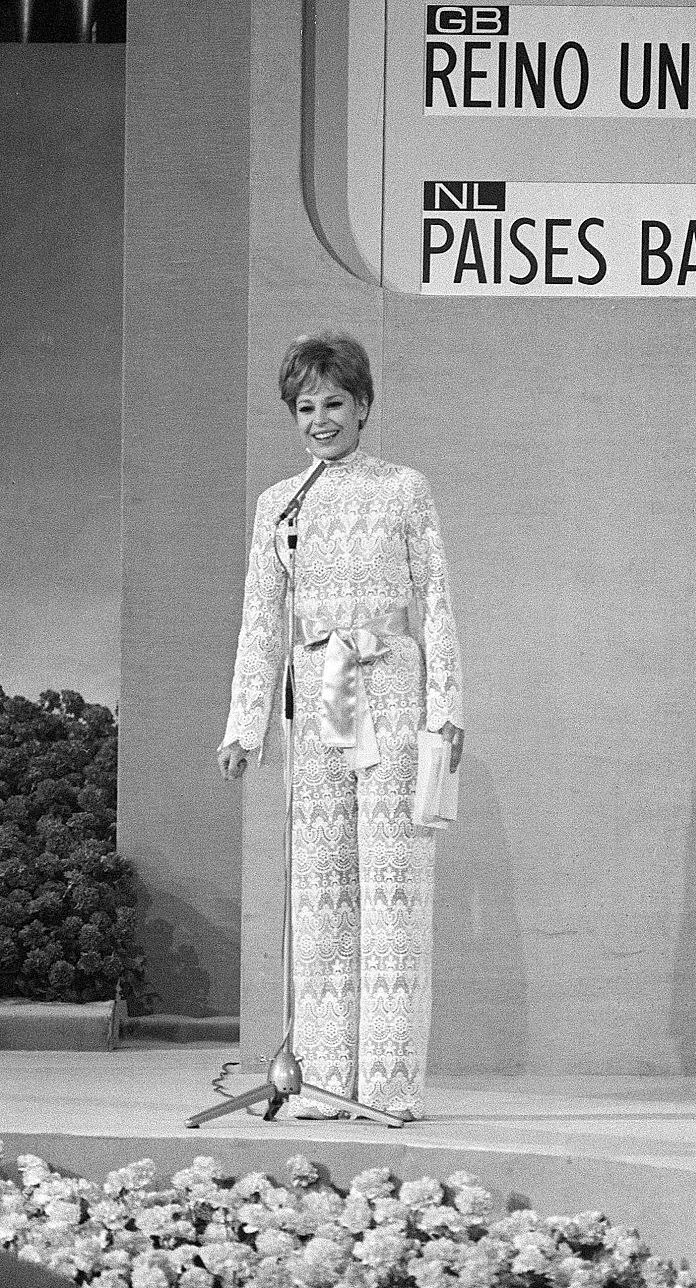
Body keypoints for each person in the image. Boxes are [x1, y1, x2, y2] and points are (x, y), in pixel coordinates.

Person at [217, 331, 463, 1120]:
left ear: (363, 406)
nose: (320, 419)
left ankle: (387, 1087)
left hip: (389, 686)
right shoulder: (281, 503)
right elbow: (261, 618)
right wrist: (245, 726)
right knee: (321, 891)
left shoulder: (403, 489)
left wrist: (447, 709)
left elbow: (435, 602)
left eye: (334, 403)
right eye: (305, 407)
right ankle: (323, 1079)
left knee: (390, 887)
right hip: (322, 688)